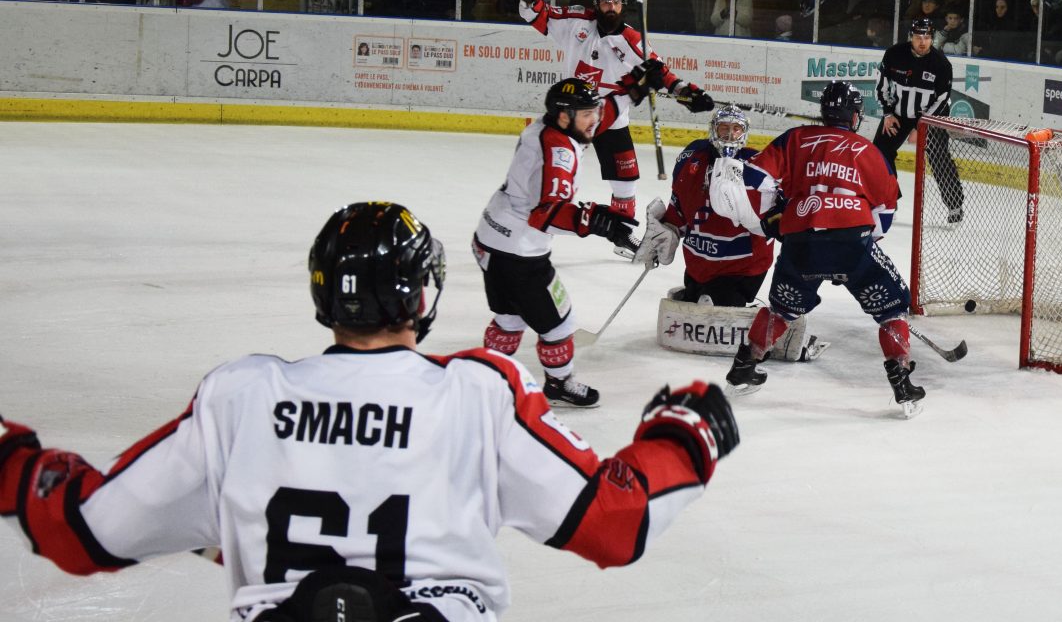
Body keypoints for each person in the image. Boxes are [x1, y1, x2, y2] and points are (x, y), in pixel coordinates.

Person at [0, 201, 740, 622]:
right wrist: (685, 435)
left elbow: (83, 532)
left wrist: (10, 457)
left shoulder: (240, 396)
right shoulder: (479, 391)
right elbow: (617, 524)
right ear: (424, 298)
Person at [707, 82, 926, 417]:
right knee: (894, 309)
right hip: (853, 243)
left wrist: (773, 217)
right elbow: (885, 213)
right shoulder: (869, 151)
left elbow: (754, 178)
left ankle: (743, 368)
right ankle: (902, 383)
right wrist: (859, 246)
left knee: (781, 311)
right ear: (855, 116)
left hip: (801, 244)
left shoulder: (795, 138)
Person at [473, 75, 659, 408]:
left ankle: (486, 377)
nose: (595, 119)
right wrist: (596, 221)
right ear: (564, 117)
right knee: (560, 323)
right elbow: (545, 214)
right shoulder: (558, 151)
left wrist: (634, 91)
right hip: (519, 253)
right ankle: (558, 384)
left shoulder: (549, 128)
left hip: (490, 238)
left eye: (594, 111)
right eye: (587, 114)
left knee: (510, 317)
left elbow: (602, 113)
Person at [517, 0, 715, 221]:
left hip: (612, 118)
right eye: (606, 2)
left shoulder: (633, 40)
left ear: (623, 5)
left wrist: (688, 93)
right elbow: (535, 14)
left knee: (626, 180)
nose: (611, 7)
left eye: (616, 3)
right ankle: (528, 209)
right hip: (572, 118)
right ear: (596, 3)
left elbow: (660, 72)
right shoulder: (575, 22)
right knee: (549, 170)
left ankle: (623, 233)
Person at [640, 105, 774, 307]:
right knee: (692, 302)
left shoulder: (757, 167)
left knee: (714, 305)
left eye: (736, 129)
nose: (729, 135)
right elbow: (680, 204)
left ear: (744, 133)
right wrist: (666, 232)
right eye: (724, 128)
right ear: (713, 129)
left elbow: (769, 222)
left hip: (740, 267)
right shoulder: (692, 157)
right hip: (698, 263)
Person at [873, 18, 964, 223]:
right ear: (910, 38)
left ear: (932, 39)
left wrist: (920, 126)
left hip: (930, 117)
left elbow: (942, 100)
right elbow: (881, 86)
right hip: (898, 115)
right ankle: (889, 200)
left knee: (939, 158)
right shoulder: (894, 54)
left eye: (927, 37)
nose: (922, 42)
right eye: (917, 37)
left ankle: (955, 205)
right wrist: (888, 114)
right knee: (879, 153)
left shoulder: (941, 64)